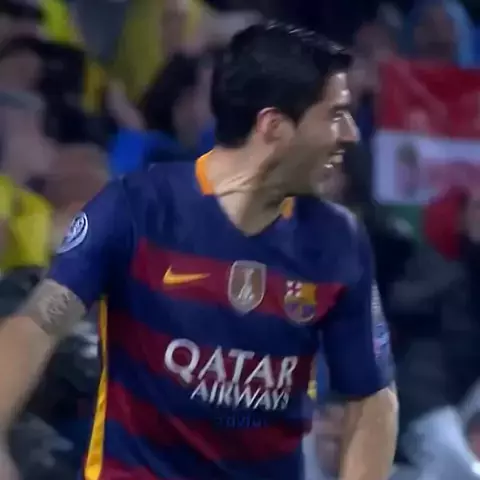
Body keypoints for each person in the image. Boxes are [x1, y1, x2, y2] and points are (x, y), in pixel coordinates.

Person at [0, 22, 397, 479]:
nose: (351, 133)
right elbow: (39, 321)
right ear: (273, 126)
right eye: (334, 115)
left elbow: (372, 398)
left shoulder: (338, 240)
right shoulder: (136, 208)